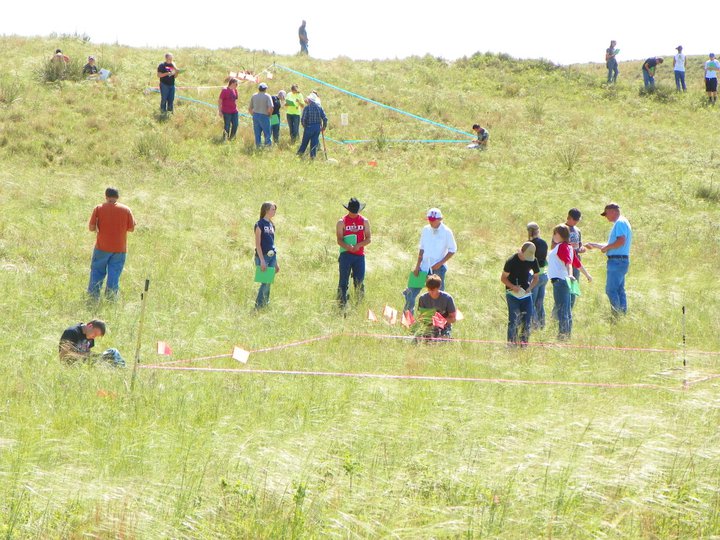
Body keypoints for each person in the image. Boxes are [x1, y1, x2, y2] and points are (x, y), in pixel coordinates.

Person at [402, 208, 457, 314]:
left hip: (438, 269)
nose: (431, 221)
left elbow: (452, 249)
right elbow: (422, 248)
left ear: (440, 219)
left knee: (438, 297)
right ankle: (408, 319)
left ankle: (438, 323)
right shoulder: (425, 229)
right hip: (423, 267)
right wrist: (417, 265)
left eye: (434, 219)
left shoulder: (446, 231)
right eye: (430, 219)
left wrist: (440, 263)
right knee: (410, 292)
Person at [87, 187, 136, 300]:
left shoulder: (99, 208)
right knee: (114, 274)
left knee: (97, 271)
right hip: (120, 249)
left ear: (106, 196)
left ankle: (93, 296)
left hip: (102, 247)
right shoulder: (126, 209)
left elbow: (91, 227)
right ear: (117, 197)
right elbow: (131, 228)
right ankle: (111, 297)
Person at [586, 203, 632, 316]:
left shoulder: (620, 223)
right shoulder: (623, 222)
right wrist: (595, 245)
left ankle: (616, 315)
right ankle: (622, 314)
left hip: (616, 261)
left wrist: (607, 247)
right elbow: (613, 244)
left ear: (612, 211)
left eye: (606, 214)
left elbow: (621, 241)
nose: (606, 217)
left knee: (611, 290)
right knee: (619, 290)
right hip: (620, 260)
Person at [547, 224, 592, 339]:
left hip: (561, 281)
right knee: (566, 309)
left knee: (562, 309)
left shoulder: (563, 247)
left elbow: (569, 262)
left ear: (560, 235)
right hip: (563, 281)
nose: (553, 236)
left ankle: (563, 337)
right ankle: (566, 335)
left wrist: (570, 275)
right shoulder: (569, 247)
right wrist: (587, 275)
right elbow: (577, 263)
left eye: (555, 234)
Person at [501, 242, 540, 346]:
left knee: (527, 320)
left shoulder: (533, 260)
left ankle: (524, 344)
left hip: (526, 295)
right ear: (521, 251)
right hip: (512, 294)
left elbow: (536, 277)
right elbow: (503, 278)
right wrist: (513, 287)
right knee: (513, 320)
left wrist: (530, 288)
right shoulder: (511, 261)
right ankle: (511, 344)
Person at [336, 198, 371, 308]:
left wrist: (358, 245)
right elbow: (339, 239)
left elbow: (369, 238)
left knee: (359, 281)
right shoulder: (342, 222)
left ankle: (359, 305)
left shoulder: (365, 221)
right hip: (346, 255)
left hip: (359, 256)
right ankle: (342, 304)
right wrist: (348, 247)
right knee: (343, 281)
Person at [58, 320, 125, 367]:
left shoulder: (90, 336)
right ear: (90, 326)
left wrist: (94, 357)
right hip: (73, 364)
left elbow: (88, 352)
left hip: (85, 362)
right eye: (95, 334)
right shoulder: (72, 332)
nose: (94, 337)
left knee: (113, 352)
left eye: (96, 336)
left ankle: (122, 368)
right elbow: (63, 355)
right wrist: (83, 357)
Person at [254, 202, 279, 309]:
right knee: (265, 282)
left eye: (275, 209)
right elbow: (258, 244)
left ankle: (266, 304)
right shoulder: (259, 224)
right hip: (263, 256)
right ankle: (258, 306)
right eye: (272, 209)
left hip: (272, 256)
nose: (274, 211)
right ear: (266, 210)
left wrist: (276, 262)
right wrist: (262, 260)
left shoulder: (272, 225)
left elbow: (272, 243)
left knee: (269, 282)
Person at [417, 274, 457, 339]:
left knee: (442, 340)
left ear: (439, 287)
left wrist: (440, 321)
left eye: (433, 290)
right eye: (429, 289)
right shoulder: (422, 298)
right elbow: (421, 317)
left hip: (444, 327)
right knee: (421, 339)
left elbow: (453, 319)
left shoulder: (448, 298)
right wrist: (427, 320)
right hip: (429, 327)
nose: (430, 292)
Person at [527, 223, 548, 329]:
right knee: (540, 302)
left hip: (534, 276)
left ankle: (534, 326)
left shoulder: (529, 244)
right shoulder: (544, 243)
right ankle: (542, 325)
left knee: (531, 302)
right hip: (544, 275)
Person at [297, 93, 327, 159]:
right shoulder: (319, 108)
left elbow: (303, 119)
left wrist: (305, 126)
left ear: (310, 100)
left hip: (308, 127)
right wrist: (324, 127)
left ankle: (299, 155)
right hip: (317, 128)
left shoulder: (307, 108)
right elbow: (325, 118)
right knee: (314, 144)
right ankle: (312, 157)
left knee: (304, 143)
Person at [249, 82, 274, 148]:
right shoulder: (267, 96)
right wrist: (270, 115)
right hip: (264, 116)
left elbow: (250, 108)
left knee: (257, 133)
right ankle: (268, 146)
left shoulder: (254, 95)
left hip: (256, 115)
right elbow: (271, 107)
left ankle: (258, 146)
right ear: (265, 89)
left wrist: (253, 115)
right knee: (267, 133)